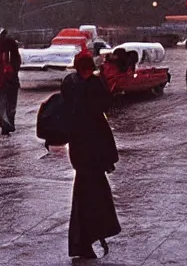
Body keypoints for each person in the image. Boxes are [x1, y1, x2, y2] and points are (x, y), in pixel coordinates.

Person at [62, 51, 121, 259]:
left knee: (87, 197)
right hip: (90, 153)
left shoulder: (70, 83)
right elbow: (104, 107)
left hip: (83, 153)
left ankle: (87, 240)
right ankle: (89, 239)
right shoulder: (91, 85)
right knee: (90, 198)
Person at [0, 29, 21, 134]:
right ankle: (9, 124)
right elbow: (17, 62)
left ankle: (6, 125)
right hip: (11, 81)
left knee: (3, 105)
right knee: (11, 105)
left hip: (3, 82)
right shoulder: (12, 46)